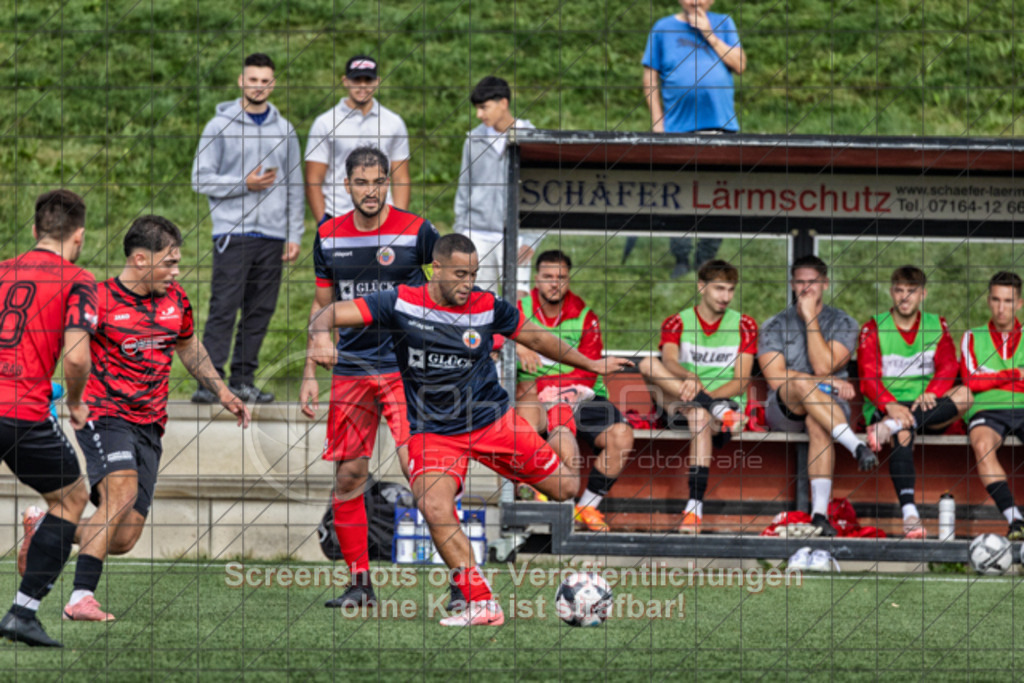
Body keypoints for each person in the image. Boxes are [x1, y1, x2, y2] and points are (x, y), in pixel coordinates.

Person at [308, 234, 631, 626]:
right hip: (434, 432)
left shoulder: (486, 305)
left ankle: (554, 437)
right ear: (436, 269)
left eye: (473, 274)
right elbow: (328, 312)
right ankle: (481, 600)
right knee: (433, 504)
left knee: (565, 488)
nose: (468, 283)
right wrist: (321, 336)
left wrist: (593, 366)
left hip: (492, 421)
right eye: (460, 274)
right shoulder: (399, 300)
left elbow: (537, 337)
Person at [35, 215, 249, 623]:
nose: (176, 271)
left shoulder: (176, 301)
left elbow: (189, 348)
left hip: (150, 424)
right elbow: (62, 348)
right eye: (169, 263)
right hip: (103, 413)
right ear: (138, 259)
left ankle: (47, 530)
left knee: (125, 537)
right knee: (122, 494)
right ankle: (81, 599)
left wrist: (222, 392)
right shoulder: (96, 298)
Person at [298, 146, 438, 609]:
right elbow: (322, 308)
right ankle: (361, 584)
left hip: (405, 367)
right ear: (347, 186)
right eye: (362, 182)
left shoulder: (417, 231)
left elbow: (449, 292)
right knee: (349, 477)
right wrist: (309, 373)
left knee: (421, 470)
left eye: (379, 181)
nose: (372, 191)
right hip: (353, 369)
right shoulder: (328, 236)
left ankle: (461, 582)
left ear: (388, 182)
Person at [0, 190, 97, 647]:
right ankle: (23, 612)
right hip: (19, 411)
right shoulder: (77, 278)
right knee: (70, 498)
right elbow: (77, 359)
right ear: (77, 236)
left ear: (35, 230)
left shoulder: (2, 270)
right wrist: (75, 401)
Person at [191, 52, 305, 405]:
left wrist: (294, 234)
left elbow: (294, 186)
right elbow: (200, 178)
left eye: (265, 81)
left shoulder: (284, 130)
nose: (259, 86)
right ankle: (210, 383)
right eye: (252, 80)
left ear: (273, 84)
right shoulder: (218, 126)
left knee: (260, 311)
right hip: (233, 233)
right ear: (241, 81)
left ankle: (243, 379)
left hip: (272, 237)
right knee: (224, 307)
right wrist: (245, 183)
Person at [515, 250, 636, 533]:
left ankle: (587, 507)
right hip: (532, 391)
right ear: (536, 279)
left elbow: (589, 368)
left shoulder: (585, 315)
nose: (554, 283)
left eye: (561, 278)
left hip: (579, 393)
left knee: (621, 435)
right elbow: (493, 335)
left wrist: (566, 391)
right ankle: (534, 500)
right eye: (547, 277)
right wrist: (515, 344)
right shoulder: (519, 308)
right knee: (526, 428)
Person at [757, 255, 877, 537]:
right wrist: (826, 384)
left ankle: (819, 515)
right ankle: (856, 446)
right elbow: (776, 378)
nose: (806, 288)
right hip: (785, 407)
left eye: (812, 282)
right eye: (800, 282)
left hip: (829, 412)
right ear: (791, 285)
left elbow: (824, 364)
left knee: (817, 423)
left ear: (825, 283)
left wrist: (810, 317)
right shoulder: (774, 325)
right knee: (797, 383)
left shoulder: (844, 322)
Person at [637, 259, 756, 534]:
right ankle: (712, 409)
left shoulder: (745, 324)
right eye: (718, 289)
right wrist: (690, 378)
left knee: (701, 415)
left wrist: (704, 398)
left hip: (723, 404)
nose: (725, 297)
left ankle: (694, 509)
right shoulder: (677, 321)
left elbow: (740, 381)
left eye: (730, 290)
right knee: (646, 364)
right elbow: (668, 361)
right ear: (701, 287)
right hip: (681, 401)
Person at [857, 266, 971, 538]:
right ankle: (910, 514)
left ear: (923, 294)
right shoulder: (874, 326)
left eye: (912, 292)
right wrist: (890, 405)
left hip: (926, 406)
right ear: (891, 292)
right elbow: (867, 377)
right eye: (899, 291)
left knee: (966, 395)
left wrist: (933, 391)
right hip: (888, 407)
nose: (905, 298)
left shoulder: (936, 324)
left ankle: (892, 426)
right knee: (905, 432)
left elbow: (948, 366)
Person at [640, 0, 748, 278]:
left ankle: (707, 258)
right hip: (678, 129)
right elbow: (650, 77)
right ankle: (681, 258)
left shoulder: (723, 23)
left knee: (717, 194)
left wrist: (709, 33)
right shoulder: (662, 28)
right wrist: (657, 122)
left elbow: (740, 65)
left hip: (719, 127)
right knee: (679, 194)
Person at [453, 75, 537, 295]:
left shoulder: (531, 138)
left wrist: (532, 240)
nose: (479, 115)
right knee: (478, 303)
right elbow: (464, 190)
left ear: (504, 103)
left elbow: (542, 195)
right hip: (477, 235)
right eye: (477, 109)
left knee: (519, 305)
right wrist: (461, 235)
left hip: (517, 234)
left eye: (484, 107)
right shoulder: (473, 140)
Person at [305, 55, 410, 224]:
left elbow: (401, 178)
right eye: (356, 80)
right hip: (338, 214)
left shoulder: (394, 122)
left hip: (382, 216)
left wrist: (400, 222)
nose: (362, 86)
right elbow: (313, 179)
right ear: (345, 81)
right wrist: (323, 222)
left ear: (377, 81)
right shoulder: (325, 122)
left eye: (368, 80)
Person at [961, 271, 1024, 540]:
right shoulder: (972, 337)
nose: (1001, 308)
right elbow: (970, 380)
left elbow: (981, 378)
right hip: (986, 410)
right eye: (996, 300)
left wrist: (992, 379)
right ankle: (1016, 521)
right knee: (983, 446)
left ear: (1019, 303)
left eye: (1008, 301)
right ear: (988, 301)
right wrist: (1015, 375)